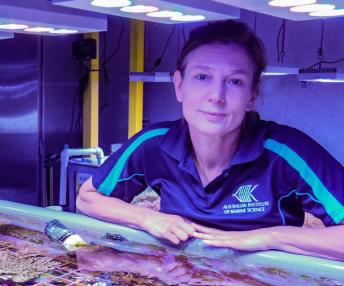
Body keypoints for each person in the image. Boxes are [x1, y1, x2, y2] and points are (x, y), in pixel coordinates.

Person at [77, 20, 344, 261]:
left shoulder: (287, 151)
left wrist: (269, 237)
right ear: (179, 85)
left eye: (235, 81)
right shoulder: (153, 144)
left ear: (252, 94)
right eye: (202, 77)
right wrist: (147, 218)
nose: (216, 95)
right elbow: (88, 198)